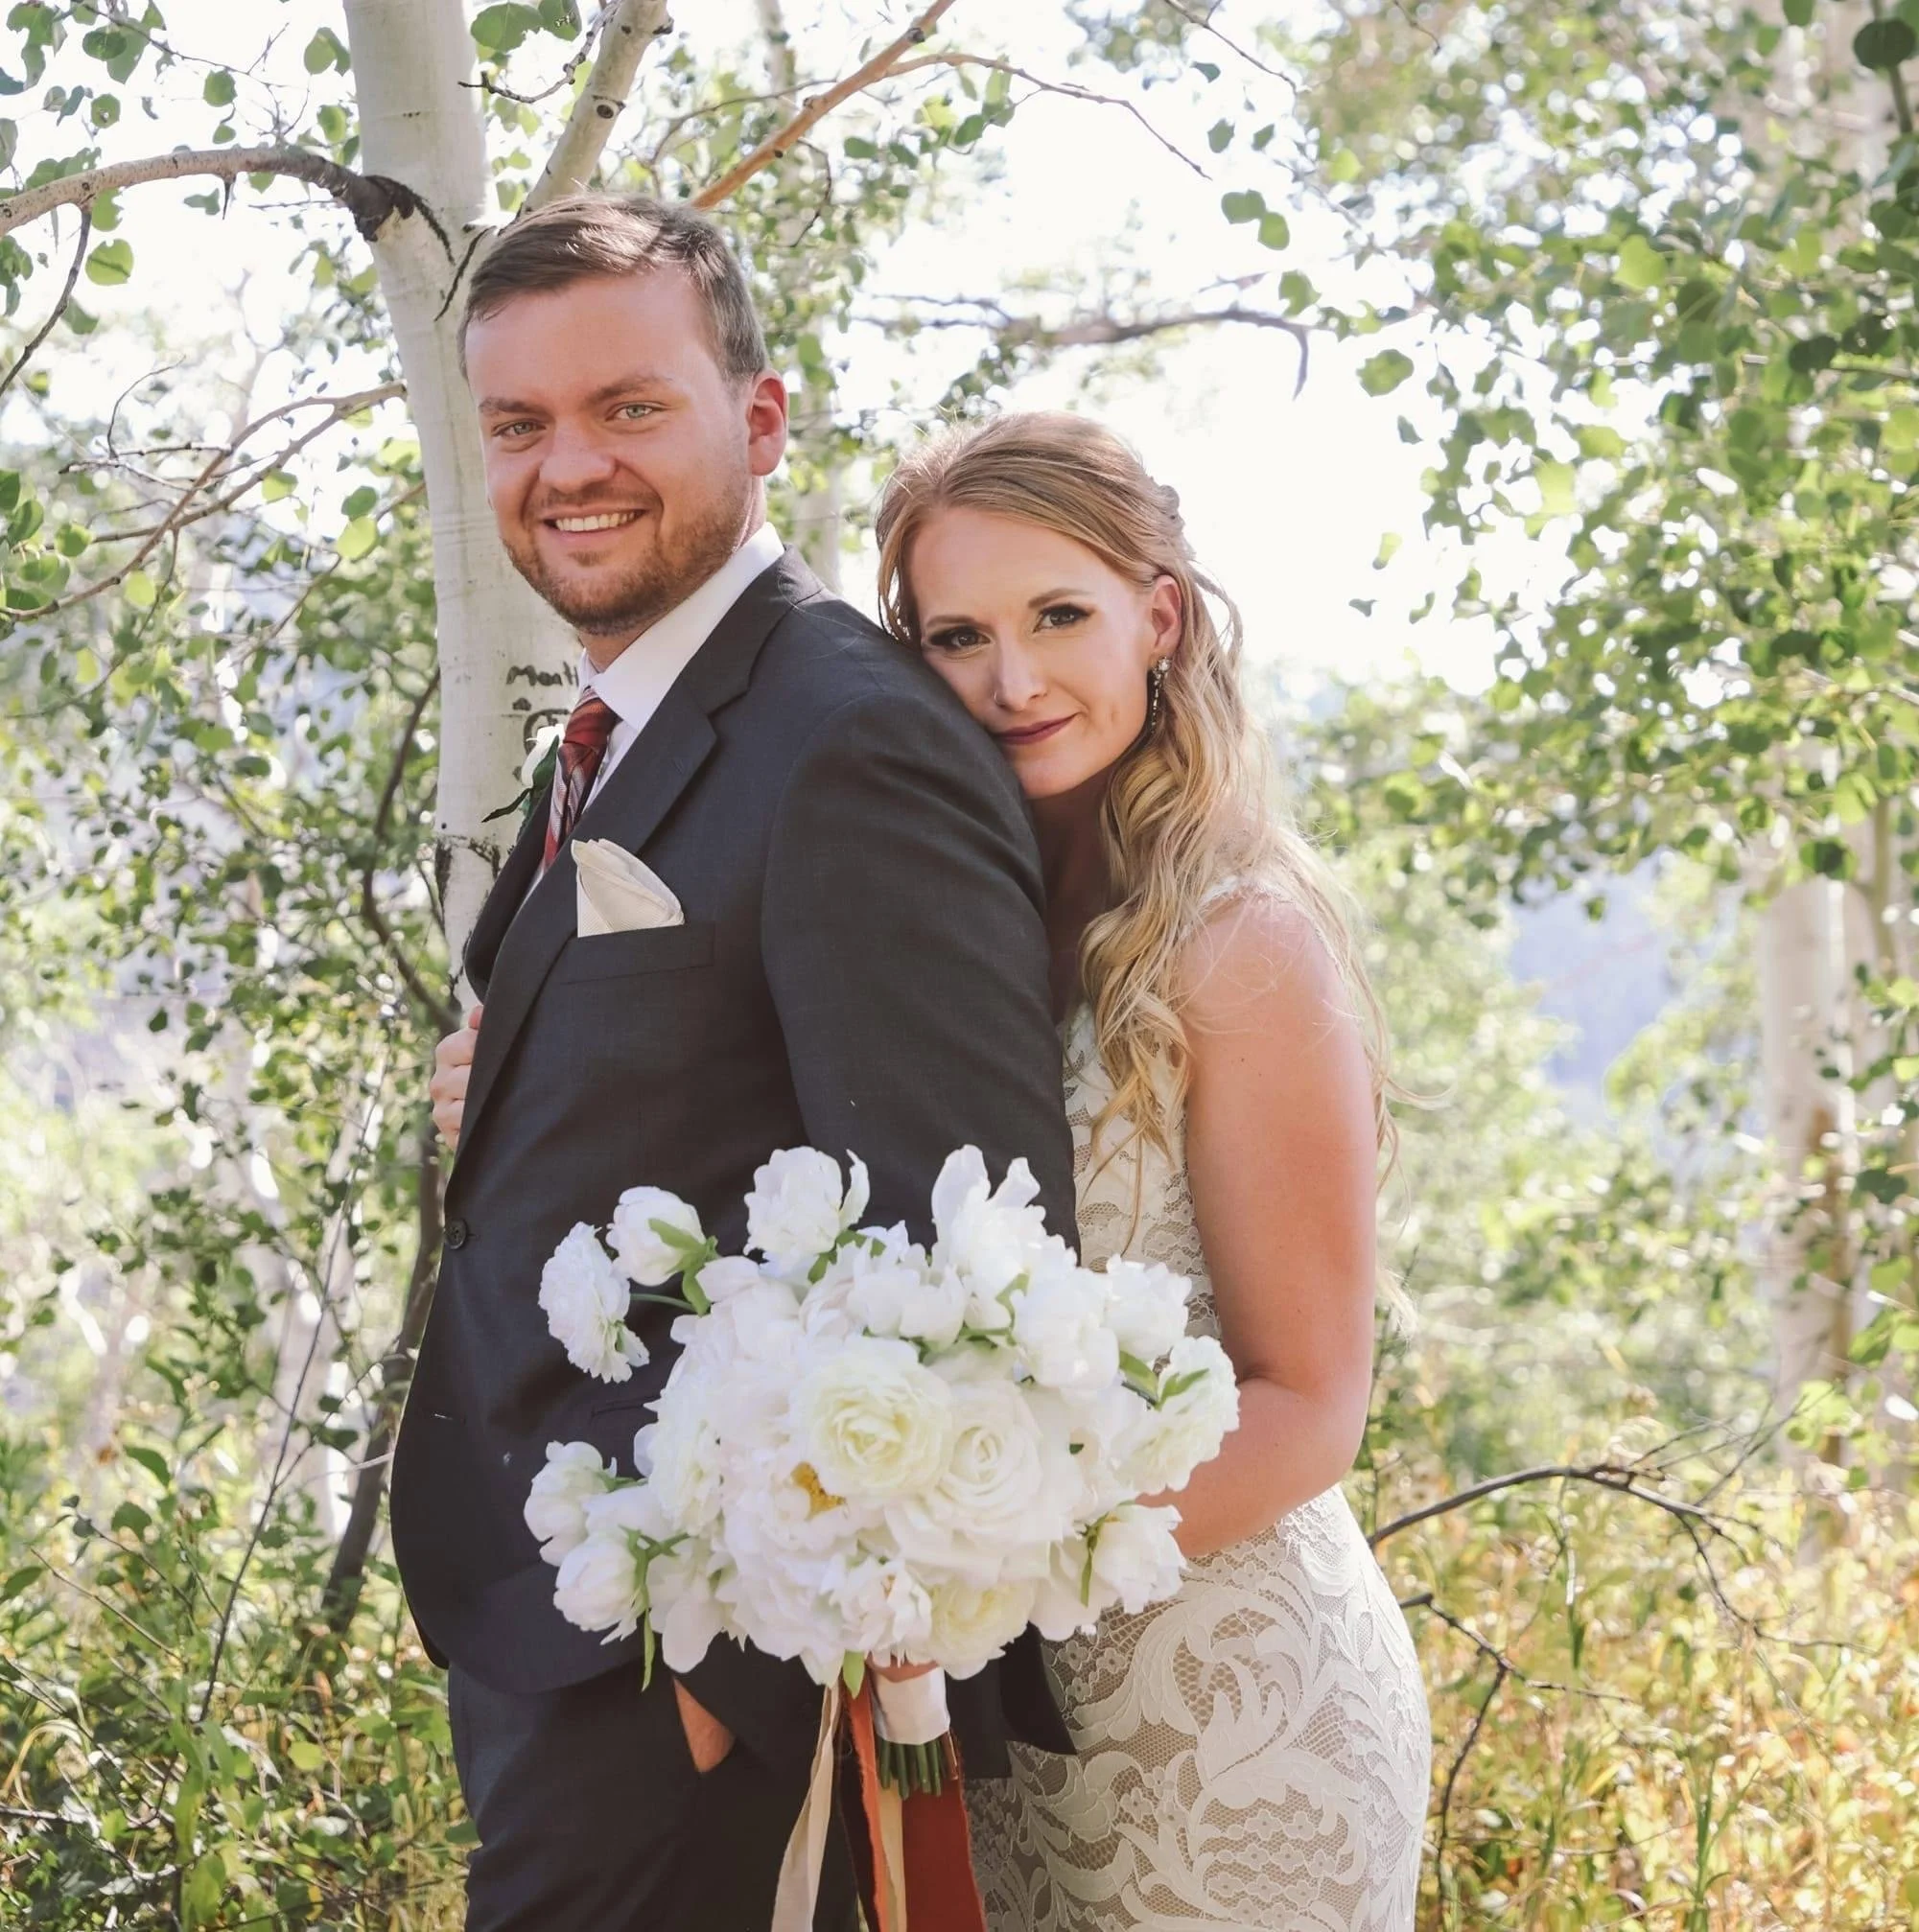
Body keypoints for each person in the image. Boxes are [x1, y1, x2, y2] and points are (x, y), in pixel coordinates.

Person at [402, 196, 1074, 1932]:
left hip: (698, 1675)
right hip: (560, 1626)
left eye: (630, 407)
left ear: (759, 423)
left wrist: (736, 1695)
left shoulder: (849, 742)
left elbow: (966, 1248)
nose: (570, 467)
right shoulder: (634, 719)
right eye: (520, 424)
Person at [875, 412, 1432, 1932]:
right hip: (1005, 1750)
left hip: (1245, 1732)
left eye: (1061, 615)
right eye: (959, 635)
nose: (1013, 679)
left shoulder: (1240, 943)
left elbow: (1311, 1402)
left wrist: (994, 1557)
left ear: (1160, 616)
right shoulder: (950, 934)